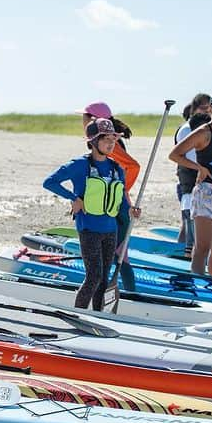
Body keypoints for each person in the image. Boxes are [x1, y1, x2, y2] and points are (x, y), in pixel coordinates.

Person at [43, 119, 140, 311]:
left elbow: (119, 197)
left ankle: (98, 316)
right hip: (89, 229)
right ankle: (78, 313)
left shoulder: (117, 169)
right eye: (105, 138)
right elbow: (50, 182)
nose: (111, 142)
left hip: (110, 230)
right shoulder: (80, 165)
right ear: (93, 141)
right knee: (94, 276)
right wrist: (73, 198)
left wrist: (131, 209)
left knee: (103, 278)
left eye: (113, 138)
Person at [169, 91, 212, 276]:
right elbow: (175, 154)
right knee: (202, 247)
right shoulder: (203, 133)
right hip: (206, 191)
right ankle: (198, 282)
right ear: (211, 109)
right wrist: (198, 168)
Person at [76, 102, 139, 290]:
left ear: (93, 119)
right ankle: (122, 292)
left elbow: (133, 166)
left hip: (118, 205)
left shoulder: (110, 143)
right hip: (114, 203)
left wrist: (120, 188)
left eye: (85, 117)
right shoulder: (102, 142)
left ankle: (129, 294)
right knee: (117, 253)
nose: (82, 120)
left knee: (118, 254)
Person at [175, 93, 211, 255]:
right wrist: (203, 169)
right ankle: (184, 254)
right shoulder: (187, 130)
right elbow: (187, 157)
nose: (207, 112)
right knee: (189, 223)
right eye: (204, 108)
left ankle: (181, 252)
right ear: (194, 109)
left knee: (188, 223)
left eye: (210, 108)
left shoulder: (206, 129)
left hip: (204, 185)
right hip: (190, 185)